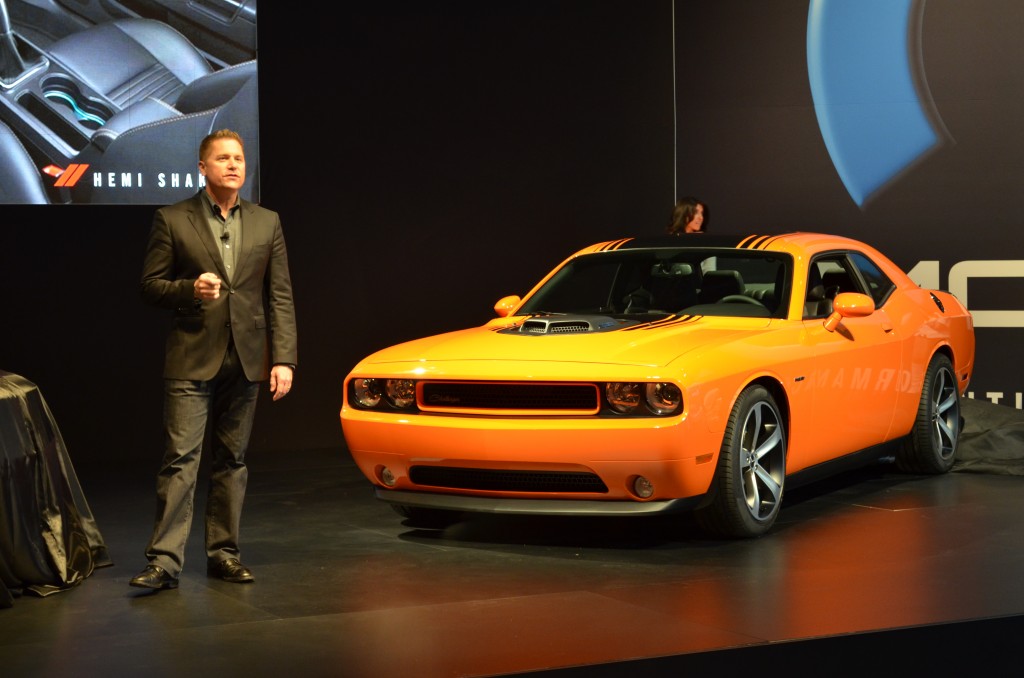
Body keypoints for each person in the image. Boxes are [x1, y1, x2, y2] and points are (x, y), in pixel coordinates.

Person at [130, 129, 298, 591]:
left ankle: (224, 553)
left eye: (239, 158)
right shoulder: (172, 218)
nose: (233, 165)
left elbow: (279, 296)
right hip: (191, 356)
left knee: (232, 460)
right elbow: (149, 286)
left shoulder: (267, 222)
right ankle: (164, 561)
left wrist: (283, 359)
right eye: (222, 158)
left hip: (246, 359)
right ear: (202, 167)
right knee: (180, 459)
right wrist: (189, 290)